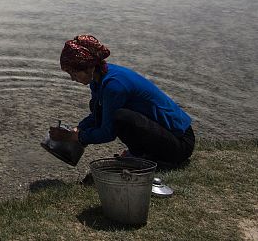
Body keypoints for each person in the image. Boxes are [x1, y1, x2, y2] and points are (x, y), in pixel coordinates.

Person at [48, 34, 195, 167]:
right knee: (96, 106)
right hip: (164, 135)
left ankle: (151, 158)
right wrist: (79, 129)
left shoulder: (114, 86)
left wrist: (77, 138)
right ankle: (142, 153)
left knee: (121, 117)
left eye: (74, 73)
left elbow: (108, 132)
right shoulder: (98, 79)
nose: (72, 79)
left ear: (89, 67)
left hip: (180, 144)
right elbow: (98, 116)